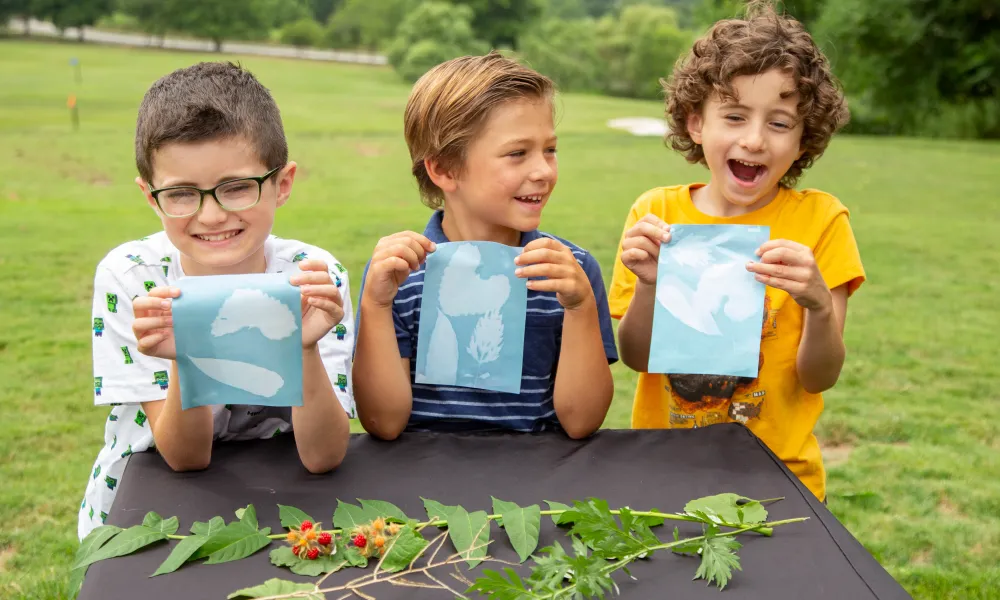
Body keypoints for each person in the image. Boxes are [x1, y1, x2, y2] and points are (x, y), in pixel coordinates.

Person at [79, 62, 353, 540]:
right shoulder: (133, 278)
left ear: (282, 183)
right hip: (149, 503)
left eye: (237, 187)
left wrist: (305, 349)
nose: (211, 215)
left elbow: (324, 456)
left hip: (282, 502)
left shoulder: (311, 276)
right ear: (150, 197)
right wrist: (187, 353)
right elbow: (186, 458)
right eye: (182, 194)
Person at [609, 1, 865, 502]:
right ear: (696, 123)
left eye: (779, 123)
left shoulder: (822, 221)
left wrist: (816, 303)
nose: (754, 140)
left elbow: (820, 377)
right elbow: (637, 359)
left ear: (803, 139)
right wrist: (649, 284)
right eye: (734, 115)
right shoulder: (655, 213)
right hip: (666, 472)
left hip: (780, 480)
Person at [352, 52, 618, 440]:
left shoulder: (570, 272)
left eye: (550, 149)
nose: (543, 170)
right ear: (444, 169)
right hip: (421, 483)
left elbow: (581, 422)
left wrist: (580, 308)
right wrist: (375, 306)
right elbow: (383, 423)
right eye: (517, 154)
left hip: (537, 483)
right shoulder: (398, 275)